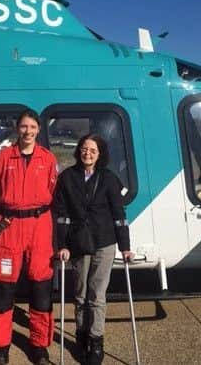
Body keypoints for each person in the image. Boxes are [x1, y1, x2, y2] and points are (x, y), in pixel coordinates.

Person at [54, 134, 134, 365]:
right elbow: (62, 215)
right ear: (78, 151)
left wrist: (125, 247)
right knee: (80, 295)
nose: (87, 153)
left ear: (100, 154)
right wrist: (62, 245)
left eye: (93, 150)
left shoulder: (109, 179)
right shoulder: (67, 178)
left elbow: (119, 216)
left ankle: (96, 342)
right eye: (84, 149)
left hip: (105, 242)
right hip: (78, 243)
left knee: (97, 295)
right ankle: (81, 338)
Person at [0, 109, 58, 365]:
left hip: (40, 228)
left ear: (38, 130)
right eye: (23, 126)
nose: (28, 131)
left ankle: (39, 346)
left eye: (32, 127)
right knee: (4, 290)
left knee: (41, 290)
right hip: (10, 228)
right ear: (18, 129)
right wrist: (2, 218)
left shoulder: (48, 159)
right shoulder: (4, 157)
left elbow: (51, 189)